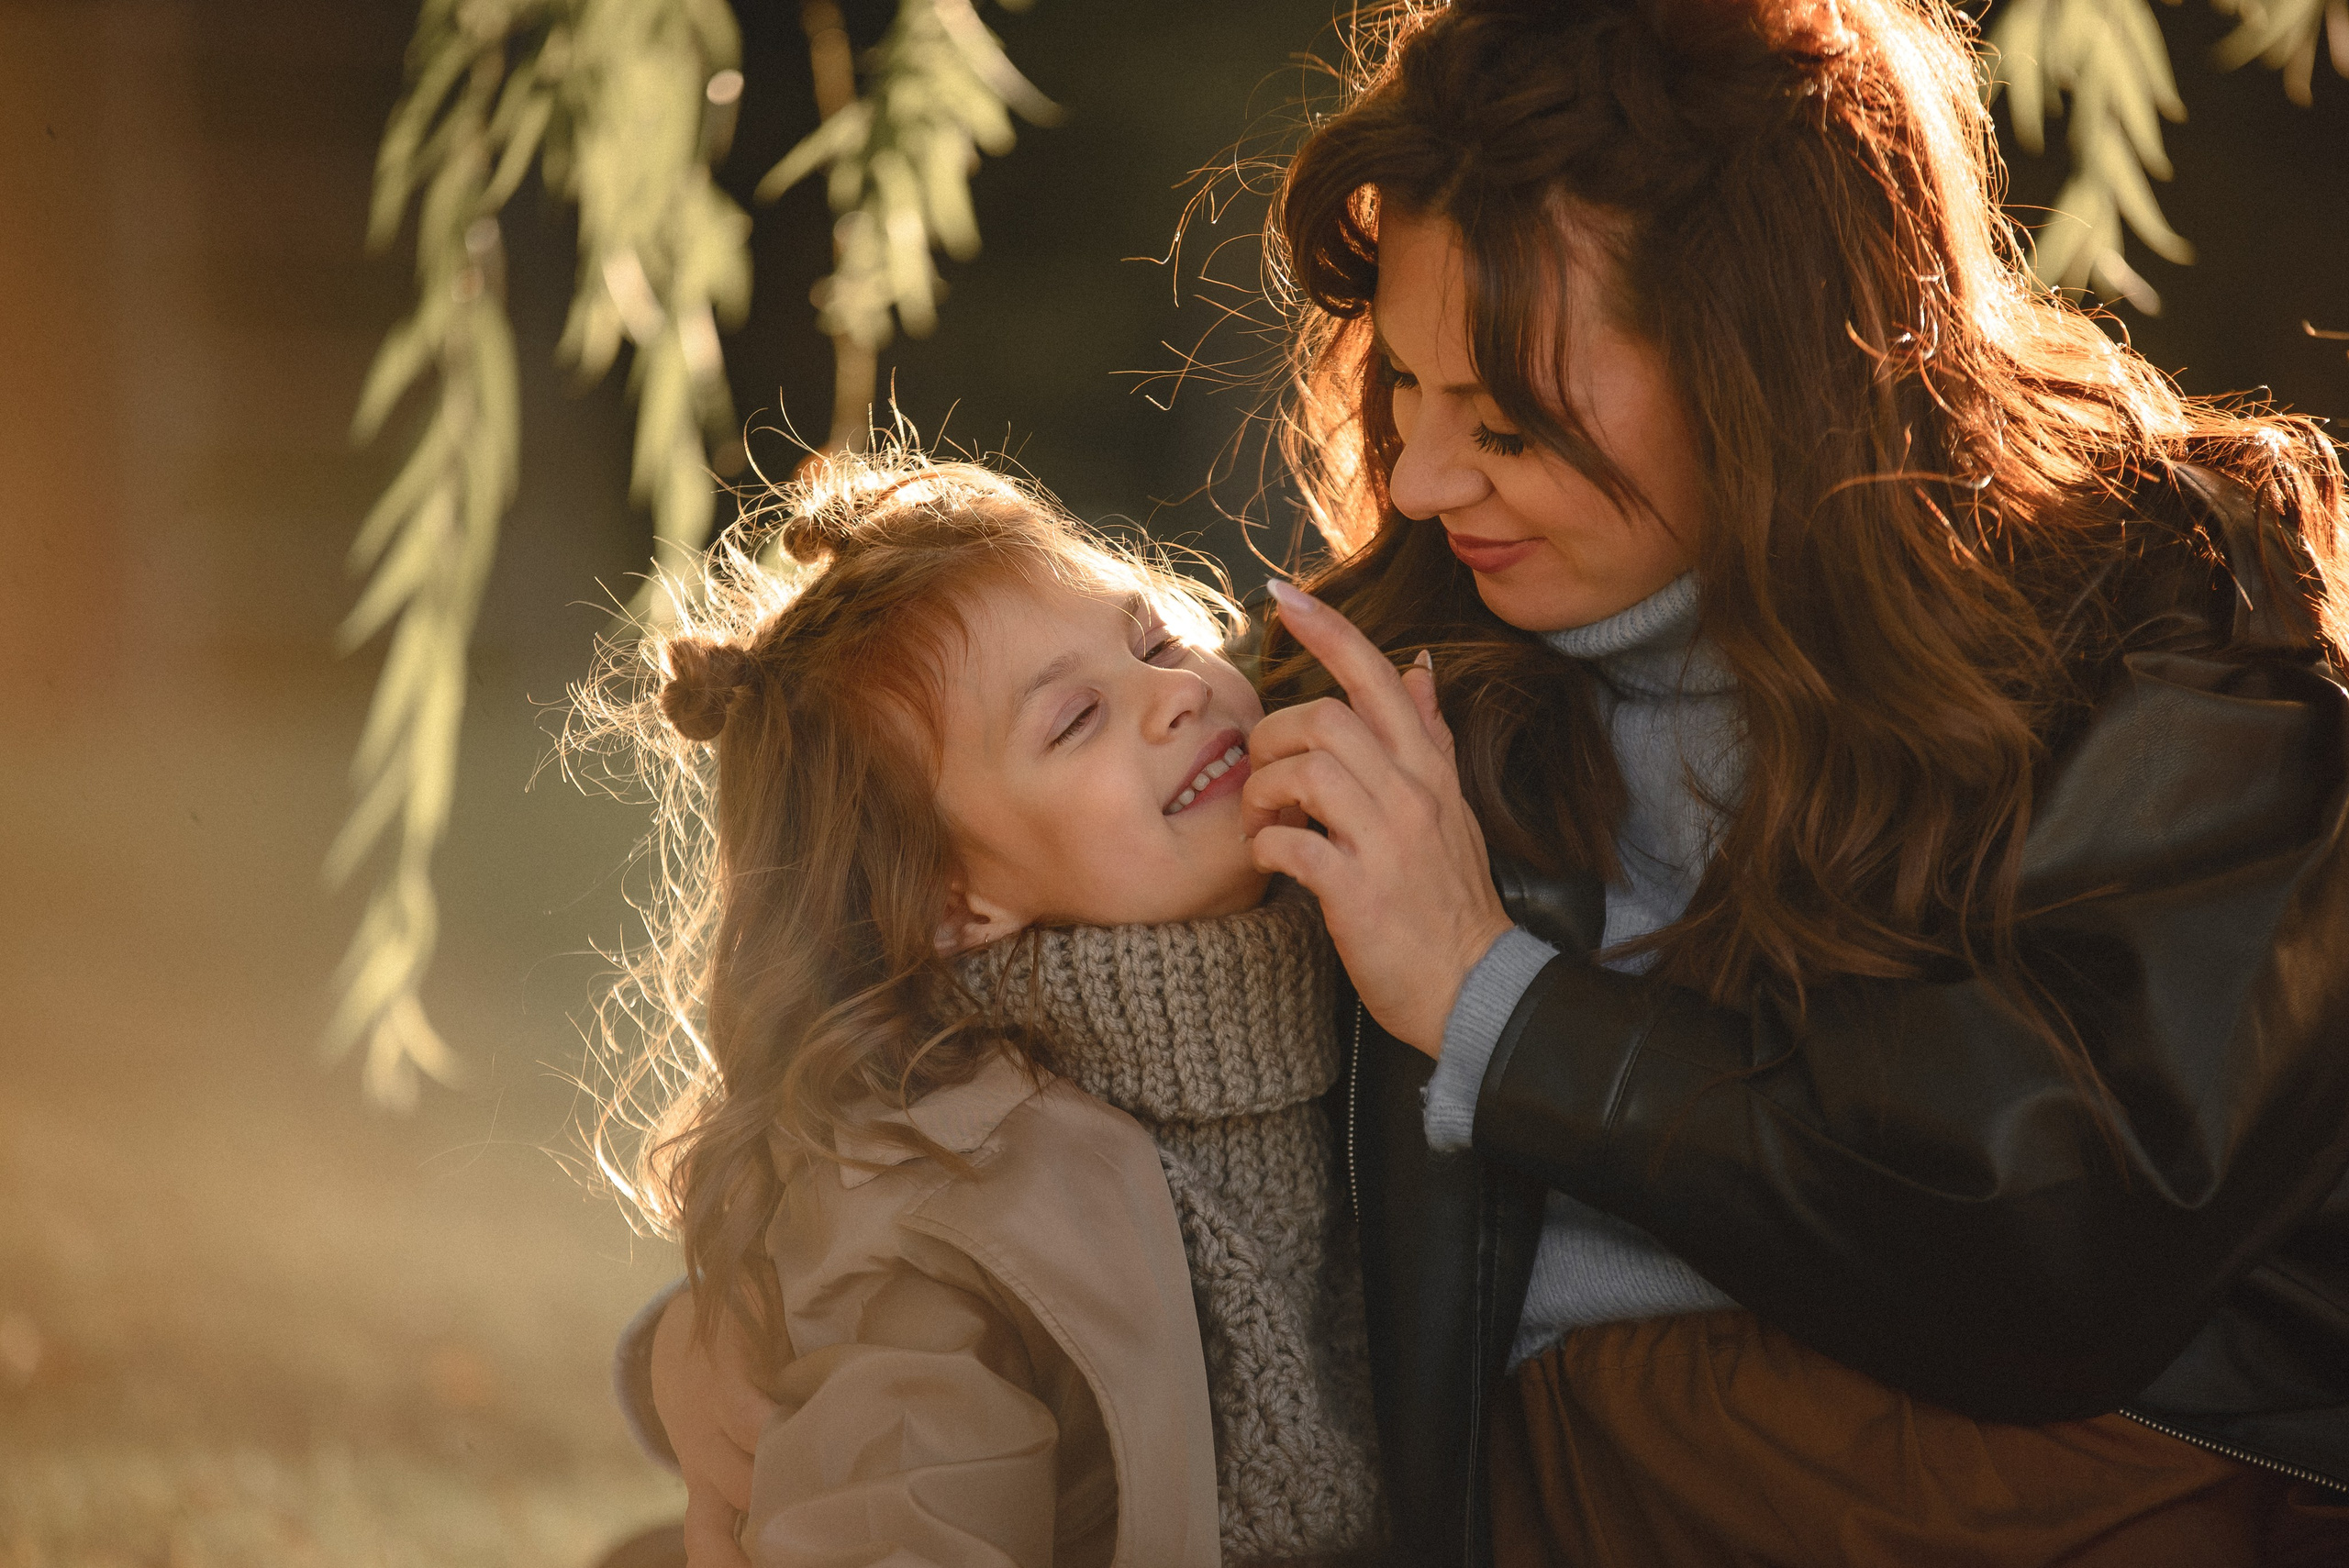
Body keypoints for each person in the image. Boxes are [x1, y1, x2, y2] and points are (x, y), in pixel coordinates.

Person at [645, 0, 2349, 1562]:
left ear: (1772, 363)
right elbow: (979, 990)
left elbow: (2069, 1238)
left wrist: (1496, 1007)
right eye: (1402, 383)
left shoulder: (2164, 623)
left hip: (2092, 1477)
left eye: (1511, 416)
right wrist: (729, 1327)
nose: (1432, 471)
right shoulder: (1382, 671)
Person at [582, 448, 1383, 1568]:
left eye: (1154, 638)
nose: (1176, 692)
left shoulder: (1382, 947)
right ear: (956, 901)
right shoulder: (952, 1202)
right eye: (1074, 720)